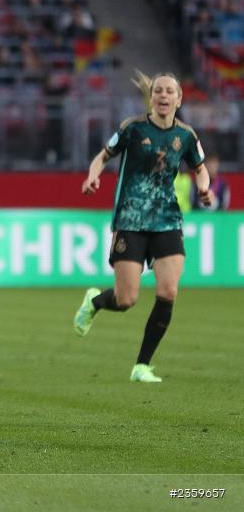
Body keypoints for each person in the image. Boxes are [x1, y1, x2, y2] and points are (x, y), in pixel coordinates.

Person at [74, 71, 213, 383]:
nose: (163, 96)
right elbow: (103, 156)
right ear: (152, 98)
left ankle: (142, 366)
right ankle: (96, 302)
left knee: (168, 290)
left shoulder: (187, 136)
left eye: (169, 92)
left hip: (167, 220)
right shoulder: (132, 128)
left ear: (179, 99)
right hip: (131, 220)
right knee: (126, 300)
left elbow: (201, 169)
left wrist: (205, 188)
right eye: (158, 91)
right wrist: (92, 175)